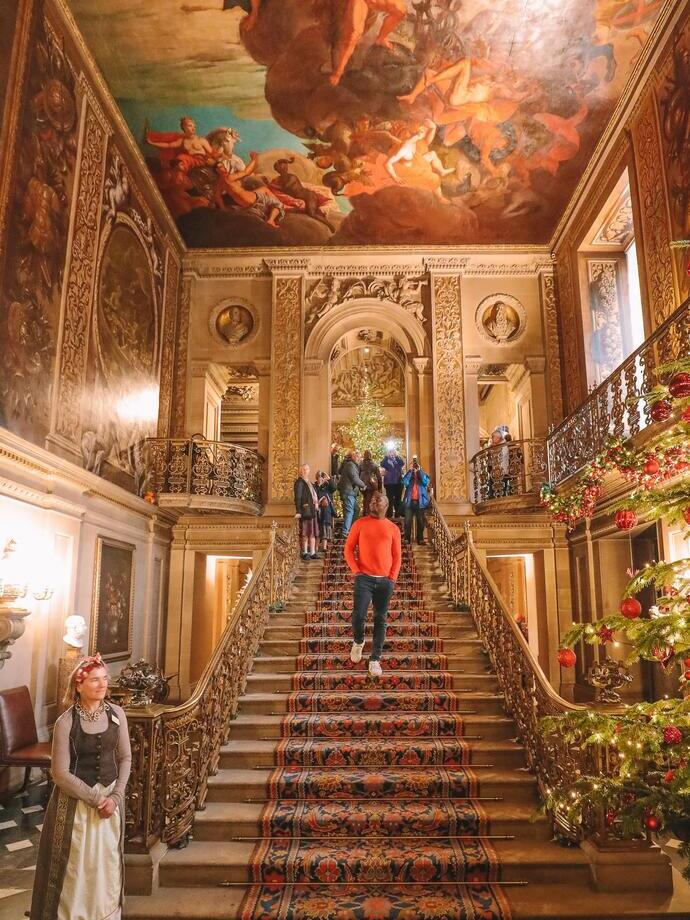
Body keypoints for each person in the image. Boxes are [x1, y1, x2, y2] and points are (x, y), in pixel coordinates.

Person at [30, 654, 131, 920]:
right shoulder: (66, 722)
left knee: (105, 866)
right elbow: (60, 773)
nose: (102, 685)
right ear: (79, 685)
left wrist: (116, 796)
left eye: (105, 679)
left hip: (110, 806)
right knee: (77, 868)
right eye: (94, 680)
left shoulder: (117, 715)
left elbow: (125, 758)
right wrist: (96, 798)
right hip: (77, 808)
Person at [344, 491, 402, 678]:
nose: (375, 503)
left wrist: (392, 578)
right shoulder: (360, 524)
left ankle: (375, 658)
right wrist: (356, 570)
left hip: (385, 581)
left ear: (386, 505)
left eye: (379, 501)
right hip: (364, 579)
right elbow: (348, 548)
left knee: (380, 619)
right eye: (373, 501)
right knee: (358, 615)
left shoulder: (393, 528)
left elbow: (397, 556)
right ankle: (359, 641)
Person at [402, 456, 431, 545]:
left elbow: (426, 482)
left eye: (416, 466)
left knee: (420, 521)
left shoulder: (422, 475)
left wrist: (419, 471)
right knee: (407, 521)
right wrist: (410, 471)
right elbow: (404, 482)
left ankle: (420, 539)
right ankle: (407, 538)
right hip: (410, 501)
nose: (414, 467)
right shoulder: (409, 475)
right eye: (414, 466)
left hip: (420, 501)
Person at [293, 463, 320, 560]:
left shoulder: (310, 483)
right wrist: (299, 511)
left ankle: (312, 552)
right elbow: (298, 498)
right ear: (301, 471)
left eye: (307, 469)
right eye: (303, 469)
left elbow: (313, 495)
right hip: (305, 511)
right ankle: (305, 552)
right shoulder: (299, 482)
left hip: (312, 510)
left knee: (312, 532)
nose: (305, 470)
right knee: (305, 532)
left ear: (309, 471)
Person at [338, 450, 366, 537]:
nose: (359, 459)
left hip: (351, 492)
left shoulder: (353, 465)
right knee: (349, 511)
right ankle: (345, 532)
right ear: (354, 457)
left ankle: (352, 529)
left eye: (360, 457)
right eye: (358, 457)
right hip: (348, 492)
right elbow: (354, 478)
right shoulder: (350, 465)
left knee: (356, 510)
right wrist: (363, 485)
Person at [380, 446, 405, 519]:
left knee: (398, 499)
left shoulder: (397, 460)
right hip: (389, 483)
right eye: (390, 452)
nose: (392, 454)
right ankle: (389, 514)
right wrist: (386, 457)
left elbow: (402, 463)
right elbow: (382, 464)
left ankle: (398, 514)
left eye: (393, 452)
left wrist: (396, 456)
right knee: (390, 499)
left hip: (398, 482)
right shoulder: (386, 461)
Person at [316, 471, 336, 552]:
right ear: (317, 478)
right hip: (319, 511)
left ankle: (325, 546)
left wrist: (329, 479)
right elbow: (315, 495)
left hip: (327, 511)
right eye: (320, 477)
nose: (321, 478)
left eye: (322, 477)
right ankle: (317, 547)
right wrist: (320, 485)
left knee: (327, 526)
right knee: (320, 528)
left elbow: (334, 488)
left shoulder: (327, 486)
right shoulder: (315, 486)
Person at [360, 449, 383, 515]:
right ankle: (367, 515)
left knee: (365, 499)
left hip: (362, 485)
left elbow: (358, 475)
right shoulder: (374, 465)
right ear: (370, 456)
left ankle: (364, 514)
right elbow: (379, 477)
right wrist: (379, 487)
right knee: (369, 500)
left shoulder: (361, 464)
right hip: (371, 485)